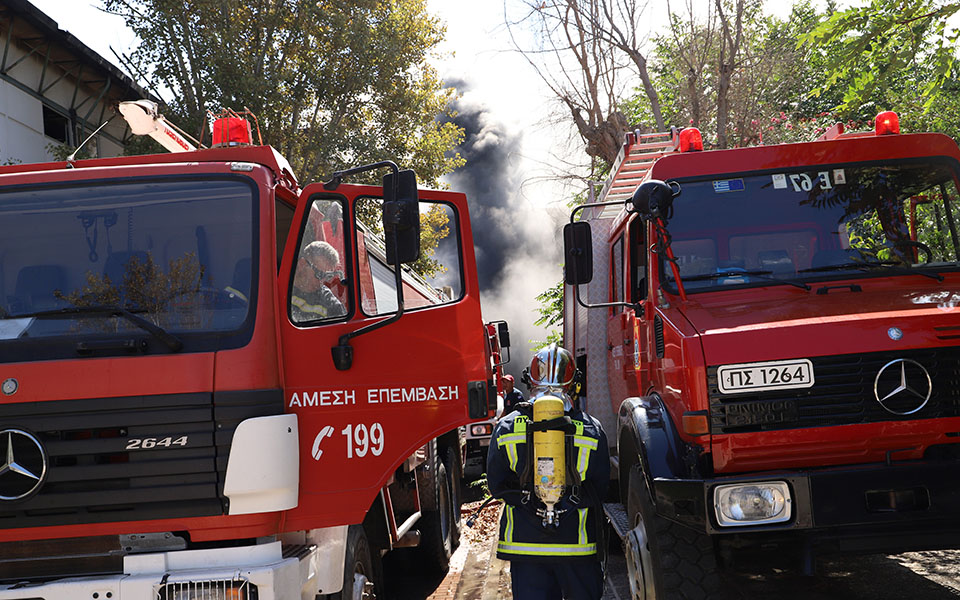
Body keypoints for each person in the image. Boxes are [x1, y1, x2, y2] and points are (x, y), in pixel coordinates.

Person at [486, 344, 610, 600]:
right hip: (577, 546)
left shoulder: (507, 427)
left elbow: (496, 485)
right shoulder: (591, 429)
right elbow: (601, 488)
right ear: (573, 383)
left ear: (529, 380)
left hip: (525, 546)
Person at [291, 240, 346, 322]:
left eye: (326, 276)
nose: (322, 281)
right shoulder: (278, 284)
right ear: (302, 264)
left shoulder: (331, 305)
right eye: (319, 274)